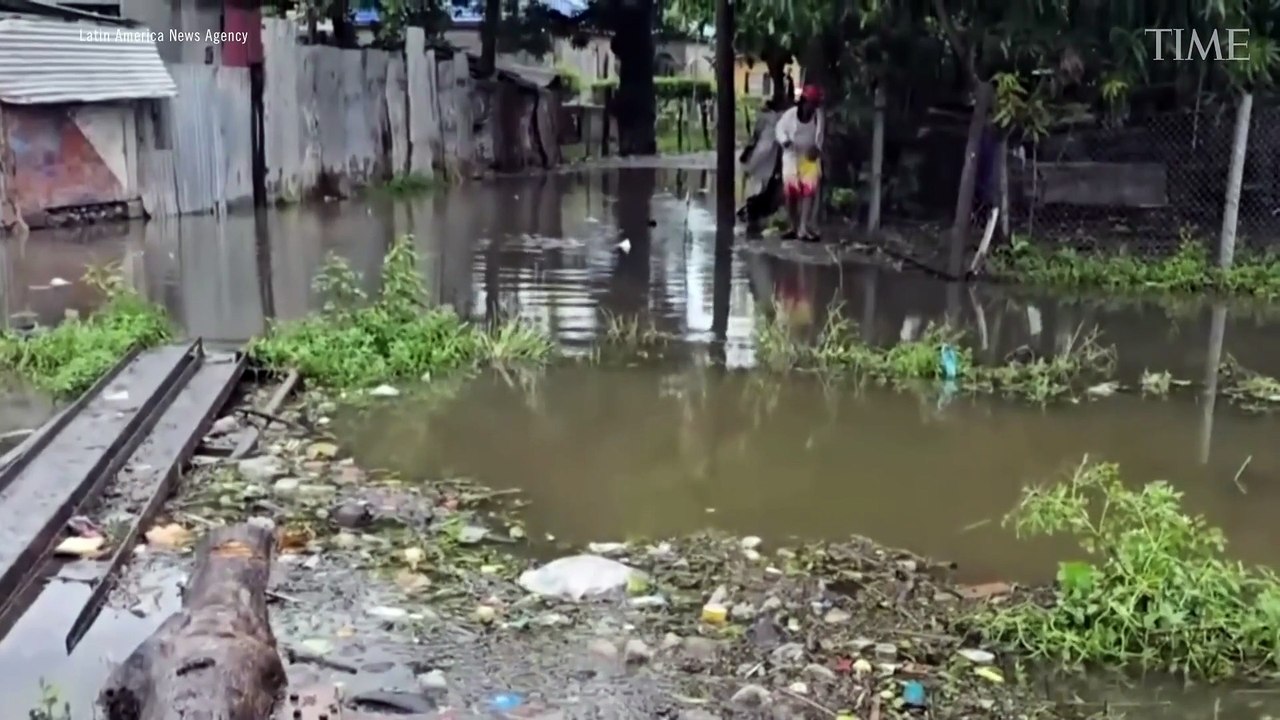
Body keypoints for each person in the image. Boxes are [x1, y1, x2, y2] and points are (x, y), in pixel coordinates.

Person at [775, 84, 825, 241]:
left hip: (809, 157)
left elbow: (820, 136)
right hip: (791, 155)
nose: (812, 107)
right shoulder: (790, 115)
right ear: (803, 101)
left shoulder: (818, 117)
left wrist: (817, 148)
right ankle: (793, 226)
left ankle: (803, 228)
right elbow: (779, 129)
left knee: (808, 191)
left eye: (815, 104)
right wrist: (785, 141)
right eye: (810, 103)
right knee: (791, 193)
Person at [737, 99, 784, 234]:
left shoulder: (767, 122)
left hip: (761, 162)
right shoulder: (775, 122)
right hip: (766, 164)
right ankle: (754, 217)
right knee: (760, 190)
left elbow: (756, 142)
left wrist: (748, 164)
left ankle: (753, 216)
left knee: (758, 190)